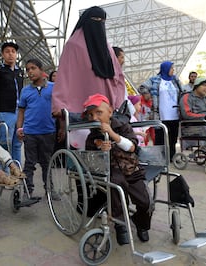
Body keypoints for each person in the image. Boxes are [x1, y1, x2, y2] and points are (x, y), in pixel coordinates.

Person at [83, 93, 152, 245]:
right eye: (90, 115)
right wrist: (100, 149)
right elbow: (89, 160)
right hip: (110, 172)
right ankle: (120, 225)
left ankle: (141, 224)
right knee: (116, 185)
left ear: (110, 112)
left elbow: (132, 146)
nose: (94, 118)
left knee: (145, 202)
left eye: (99, 113)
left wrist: (112, 135)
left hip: (131, 169)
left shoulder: (123, 126)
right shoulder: (92, 136)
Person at [51, 6, 126, 117]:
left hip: (107, 109)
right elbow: (64, 77)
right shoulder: (73, 45)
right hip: (78, 111)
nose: (99, 23)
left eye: (102, 21)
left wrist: (118, 102)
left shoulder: (107, 48)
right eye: (95, 20)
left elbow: (118, 77)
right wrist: (59, 106)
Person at [16, 59, 59, 200]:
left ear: (41, 70)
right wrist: (19, 128)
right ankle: (27, 191)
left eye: (33, 68)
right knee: (29, 163)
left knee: (47, 162)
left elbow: (59, 109)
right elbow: (21, 111)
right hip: (30, 133)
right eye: (28, 69)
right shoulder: (25, 91)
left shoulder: (53, 88)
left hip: (48, 132)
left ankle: (50, 190)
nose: (30, 72)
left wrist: (62, 128)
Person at [0, 42, 24, 164]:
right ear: (2, 54)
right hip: (5, 113)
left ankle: (17, 173)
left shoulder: (20, 72)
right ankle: (6, 174)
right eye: (7, 51)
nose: (10, 54)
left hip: (18, 113)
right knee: (5, 144)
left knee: (17, 144)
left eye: (13, 51)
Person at [143, 61, 182, 160]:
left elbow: (183, 91)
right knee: (160, 137)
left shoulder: (175, 80)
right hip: (161, 114)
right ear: (166, 68)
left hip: (175, 114)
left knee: (173, 138)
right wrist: (147, 94)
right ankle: (160, 158)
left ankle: (171, 157)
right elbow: (142, 87)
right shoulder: (155, 79)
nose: (173, 70)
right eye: (171, 68)